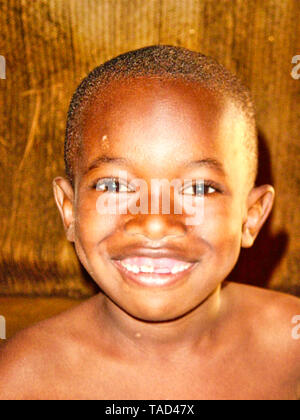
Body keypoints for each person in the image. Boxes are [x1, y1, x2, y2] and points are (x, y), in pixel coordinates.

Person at [0, 45, 299, 400]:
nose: (156, 223)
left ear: (251, 217)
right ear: (69, 209)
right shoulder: (23, 378)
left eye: (200, 188)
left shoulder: (291, 352)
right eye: (114, 185)